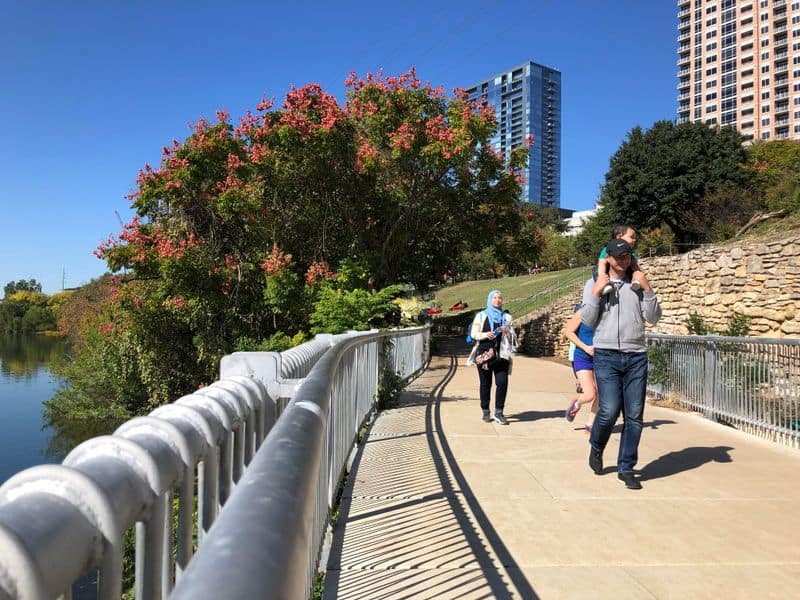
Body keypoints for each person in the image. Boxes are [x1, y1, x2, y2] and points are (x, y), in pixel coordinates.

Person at [581, 239, 662, 490]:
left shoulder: (637, 283)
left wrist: (647, 290)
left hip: (636, 355)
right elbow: (587, 320)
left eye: (626, 255)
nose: (622, 260)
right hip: (606, 354)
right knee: (609, 410)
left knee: (634, 416)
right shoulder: (594, 282)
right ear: (608, 259)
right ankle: (597, 446)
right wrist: (597, 291)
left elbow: (653, 318)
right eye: (617, 256)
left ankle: (626, 468)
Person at [467, 290, 514, 425]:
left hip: (502, 355)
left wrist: (508, 332)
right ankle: (486, 411)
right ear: (489, 299)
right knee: (485, 384)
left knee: (502, 383)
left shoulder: (507, 317)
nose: (498, 300)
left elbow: (513, 337)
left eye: (500, 298)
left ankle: (499, 412)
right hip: (484, 355)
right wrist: (485, 335)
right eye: (495, 298)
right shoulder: (481, 316)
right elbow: (474, 334)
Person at [562, 302, 599, 434]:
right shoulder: (582, 312)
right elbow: (568, 332)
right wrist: (586, 347)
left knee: (601, 394)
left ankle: (590, 424)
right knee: (590, 394)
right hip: (583, 357)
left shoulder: (607, 313)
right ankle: (577, 403)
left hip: (601, 358)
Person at [596, 224, 643, 296]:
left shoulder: (631, 251)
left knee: (635, 269)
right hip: (607, 274)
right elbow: (602, 262)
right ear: (619, 236)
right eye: (631, 237)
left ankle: (635, 281)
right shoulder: (608, 248)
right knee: (596, 271)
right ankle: (605, 285)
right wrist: (602, 275)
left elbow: (634, 264)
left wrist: (637, 273)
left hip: (627, 274)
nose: (634, 240)